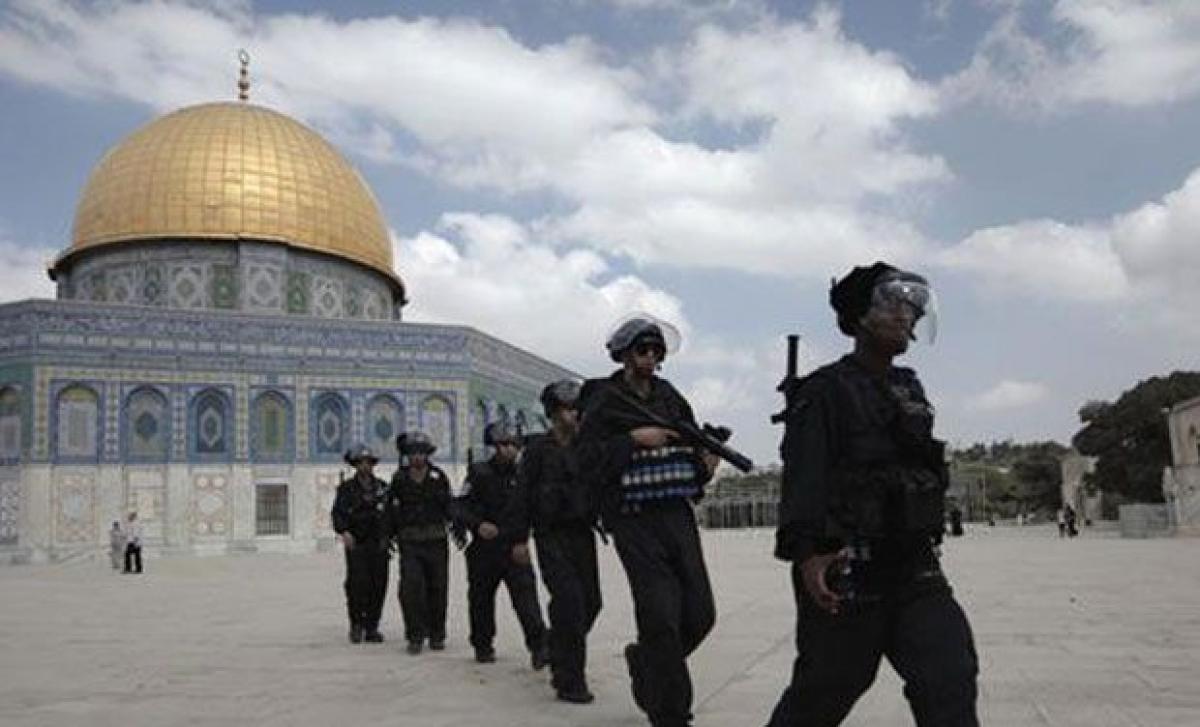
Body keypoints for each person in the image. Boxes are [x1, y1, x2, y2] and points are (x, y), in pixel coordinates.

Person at [767, 262, 979, 727]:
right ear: (860, 316)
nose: (907, 315)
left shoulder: (909, 387)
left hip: (914, 567)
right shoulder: (823, 391)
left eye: (912, 307)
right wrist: (808, 555)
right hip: (848, 568)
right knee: (822, 694)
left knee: (950, 677)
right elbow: (804, 478)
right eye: (893, 303)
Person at [576, 314, 719, 727]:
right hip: (633, 517)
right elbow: (585, 461)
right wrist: (632, 439)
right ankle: (671, 713)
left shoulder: (670, 397)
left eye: (657, 350)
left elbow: (691, 442)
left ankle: (646, 663)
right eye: (643, 349)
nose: (651, 357)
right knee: (660, 617)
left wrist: (705, 462)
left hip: (676, 514)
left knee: (700, 614)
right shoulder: (603, 399)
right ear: (624, 354)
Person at [502, 379, 602, 704]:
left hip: (582, 535)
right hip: (551, 535)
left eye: (577, 409)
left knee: (590, 603)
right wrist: (518, 539)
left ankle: (556, 646)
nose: (574, 415)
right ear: (554, 413)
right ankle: (570, 680)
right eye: (569, 409)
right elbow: (521, 497)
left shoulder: (587, 447)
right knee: (570, 603)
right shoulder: (536, 452)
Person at [453, 422, 549, 667]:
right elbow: (459, 506)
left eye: (513, 445)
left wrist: (522, 540)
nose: (508, 450)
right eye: (503, 445)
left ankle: (539, 647)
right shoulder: (478, 473)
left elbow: (533, 511)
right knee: (481, 600)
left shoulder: (526, 476)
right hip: (484, 549)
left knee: (526, 601)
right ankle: (483, 646)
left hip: (514, 547)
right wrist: (478, 524)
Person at [388, 431, 453, 655]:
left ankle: (437, 634)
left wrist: (459, 528)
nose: (417, 457)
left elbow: (449, 507)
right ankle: (415, 635)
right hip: (410, 542)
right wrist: (387, 537)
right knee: (411, 588)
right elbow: (390, 511)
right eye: (412, 453)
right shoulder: (399, 479)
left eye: (421, 453)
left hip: (436, 540)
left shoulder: (438, 477)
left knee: (438, 587)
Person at [330, 444, 391, 644]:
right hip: (357, 543)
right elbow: (337, 514)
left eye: (368, 462)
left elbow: (391, 514)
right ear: (356, 465)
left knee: (378, 585)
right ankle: (356, 624)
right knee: (357, 585)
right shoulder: (347, 489)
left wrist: (389, 536)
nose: (365, 466)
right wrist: (344, 532)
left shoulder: (382, 487)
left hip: (378, 544)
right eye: (361, 463)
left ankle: (372, 626)